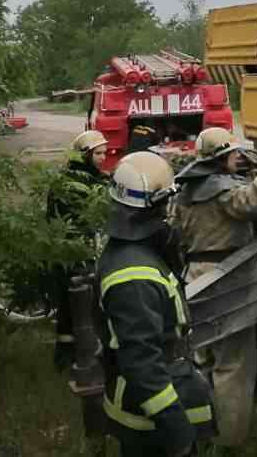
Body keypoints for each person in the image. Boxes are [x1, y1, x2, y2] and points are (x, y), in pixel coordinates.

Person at [170, 127, 257, 447]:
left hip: (195, 279)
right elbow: (252, 201)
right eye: (232, 153)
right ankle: (230, 441)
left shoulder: (185, 192)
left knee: (205, 361)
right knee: (234, 366)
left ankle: (202, 433)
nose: (238, 157)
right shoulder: (221, 191)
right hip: (224, 279)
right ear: (220, 157)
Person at [98, 151, 217, 457]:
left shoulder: (133, 253)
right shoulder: (134, 277)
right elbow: (142, 364)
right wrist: (177, 432)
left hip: (157, 410)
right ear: (155, 205)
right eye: (166, 203)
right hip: (151, 426)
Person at [47, 129, 110, 372]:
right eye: (98, 154)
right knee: (74, 304)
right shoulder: (73, 183)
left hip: (81, 250)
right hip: (72, 252)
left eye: (105, 153)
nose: (103, 158)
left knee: (76, 304)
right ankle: (71, 356)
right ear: (85, 155)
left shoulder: (91, 178)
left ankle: (75, 353)